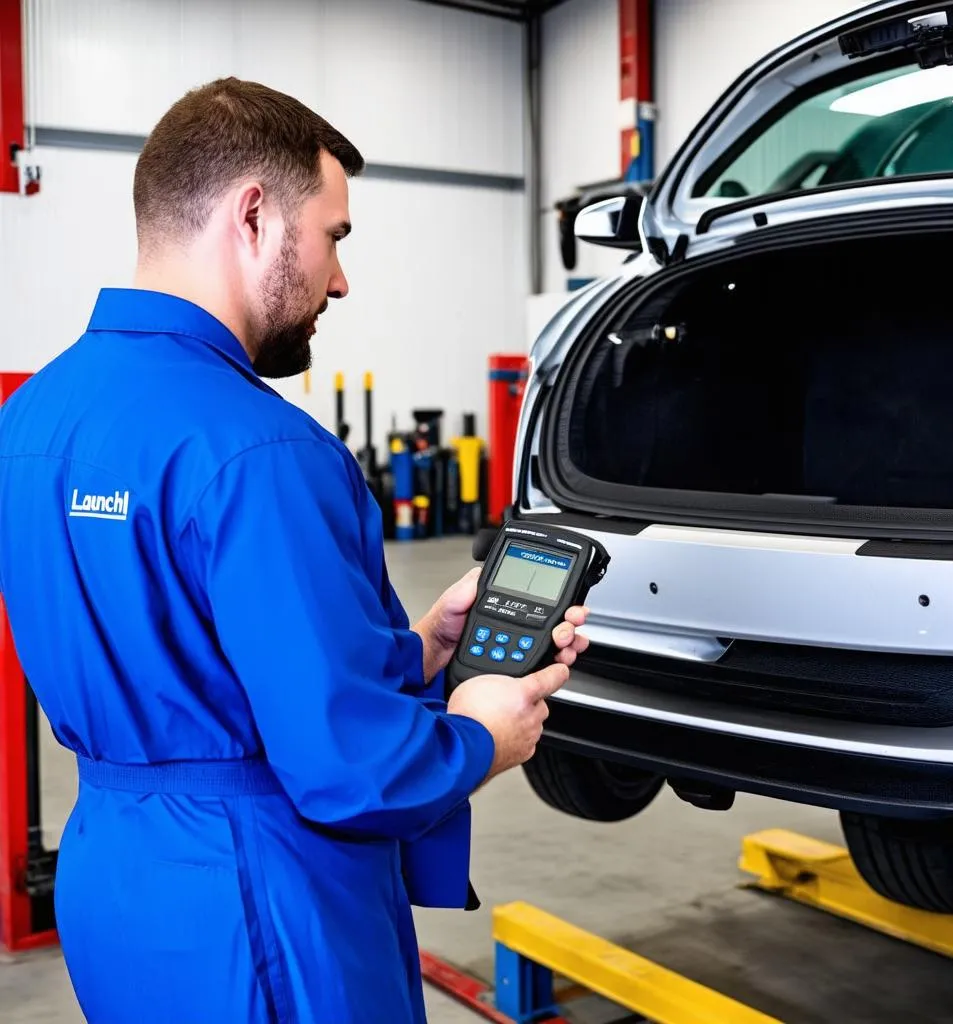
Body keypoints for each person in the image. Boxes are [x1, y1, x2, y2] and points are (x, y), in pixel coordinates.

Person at [0, 78, 589, 1024]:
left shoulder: (29, 420)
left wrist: (422, 650)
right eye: (334, 237)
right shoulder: (263, 449)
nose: (341, 280)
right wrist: (485, 733)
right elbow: (348, 768)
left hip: (115, 879)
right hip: (262, 902)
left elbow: (199, 659)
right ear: (254, 215)